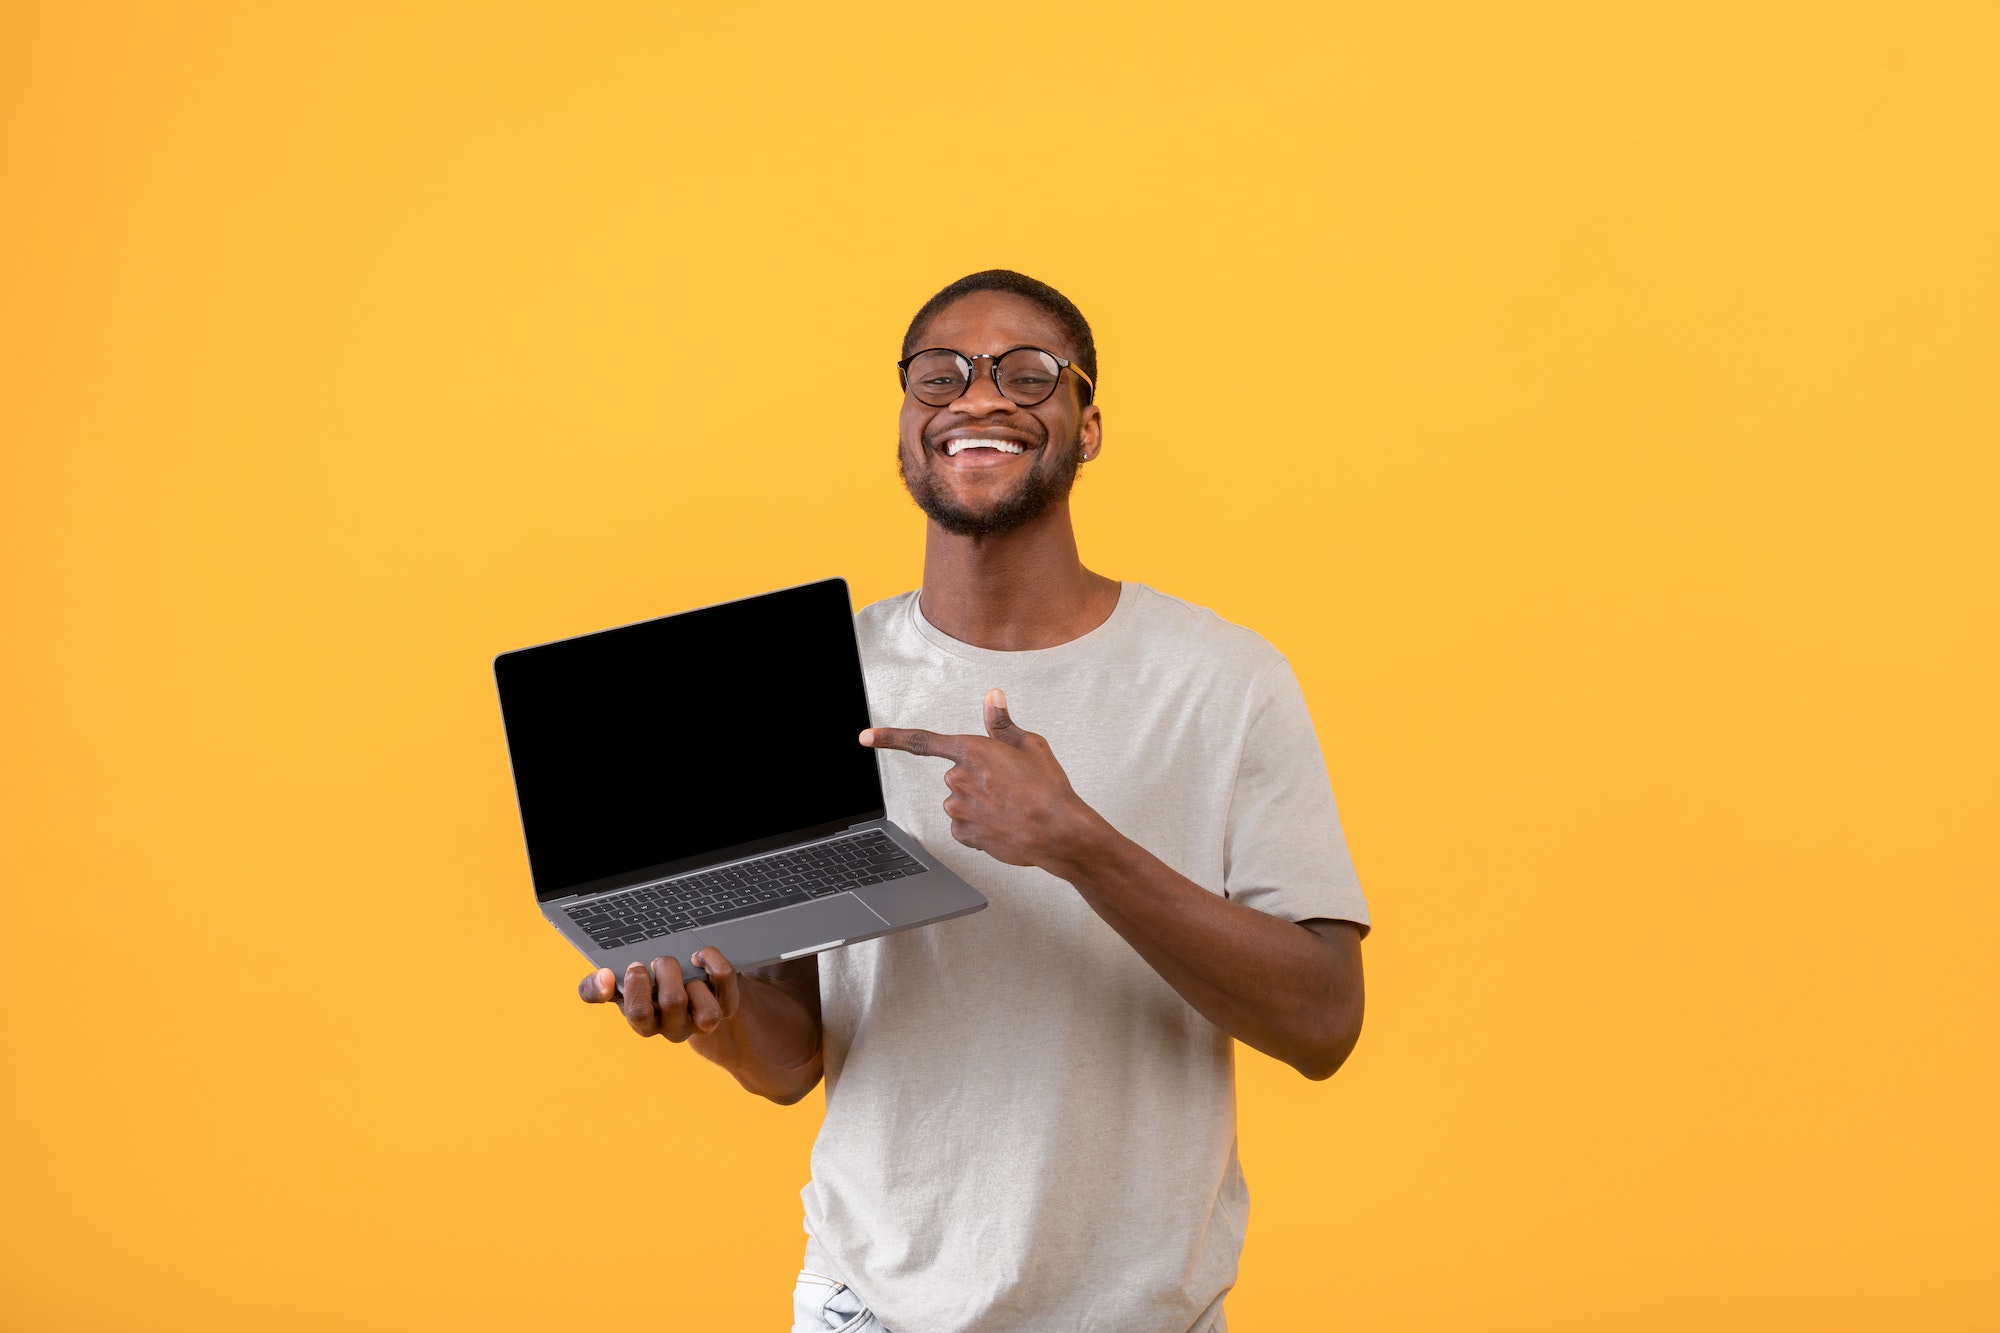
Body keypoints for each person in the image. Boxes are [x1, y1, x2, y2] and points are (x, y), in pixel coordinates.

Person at [578, 270, 1371, 1333]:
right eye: (938, 375)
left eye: (1027, 373)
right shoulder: (818, 682)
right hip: (871, 1307)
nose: (978, 397)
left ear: (1086, 427)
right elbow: (792, 1060)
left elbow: (1321, 1021)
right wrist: (711, 1019)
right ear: (906, 431)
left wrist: (1077, 841)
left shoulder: (1223, 679)